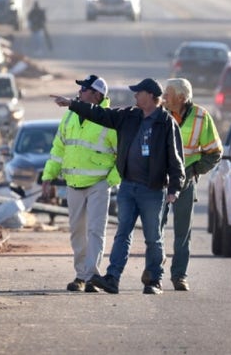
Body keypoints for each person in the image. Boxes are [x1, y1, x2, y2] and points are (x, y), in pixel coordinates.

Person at [51, 77, 184, 295]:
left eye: (138, 93)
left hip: (152, 190)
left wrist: (174, 188)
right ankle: (112, 278)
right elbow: (100, 114)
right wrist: (72, 104)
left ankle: (154, 281)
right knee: (122, 234)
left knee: (153, 237)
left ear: (151, 96)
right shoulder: (129, 116)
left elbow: (175, 158)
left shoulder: (166, 123)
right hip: (128, 187)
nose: (134, 96)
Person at [41, 75, 121, 293]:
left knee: (95, 230)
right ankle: (80, 275)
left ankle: (91, 275)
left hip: (98, 184)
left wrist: (109, 181)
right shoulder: (70, 116)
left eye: (84, 89)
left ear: (97, 95)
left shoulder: (109, 119)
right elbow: (58, 149)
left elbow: (122, 155)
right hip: (74, 183)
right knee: (77, 231)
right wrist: (48, 176)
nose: (79, 92)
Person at [153, 78, 222, 291]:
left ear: (182, 98)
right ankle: (155, 271)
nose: (164, 97)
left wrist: (192, 171)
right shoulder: (158, 113)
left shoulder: (202, 117)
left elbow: (214, 153)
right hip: (160, 181)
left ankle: (179, 275)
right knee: (155, 229)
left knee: (183, 233)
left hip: (185, 182)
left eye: (168, 93)